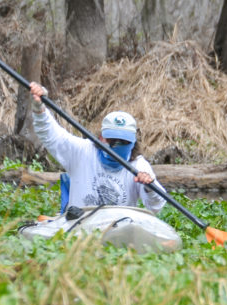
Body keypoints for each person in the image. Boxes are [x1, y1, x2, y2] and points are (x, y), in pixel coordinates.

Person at [29, 81, 166, 214]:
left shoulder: (139, 167)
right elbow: (51, 135)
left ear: (133, 142)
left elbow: (156, 206)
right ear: (101, 137)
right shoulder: (82, 151)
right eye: (111, 140)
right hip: (80, 228)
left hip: (118, 233)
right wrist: (39, 108)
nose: (116, 146)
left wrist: (150, 188)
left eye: (122, 142)